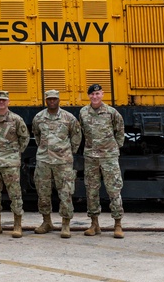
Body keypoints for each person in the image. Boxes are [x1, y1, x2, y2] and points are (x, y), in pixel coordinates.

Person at [31, 89, 82, 238]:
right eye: (49, 99)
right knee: (43, 193)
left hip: (63, 161)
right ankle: (46, 222)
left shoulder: (69, 118)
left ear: (58, 100)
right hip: (44, 161)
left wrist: (66, 152)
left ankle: (65, 224)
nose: (52, 101)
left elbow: (76, 136)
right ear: (46, 100)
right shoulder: (39, 117)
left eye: (54, 99)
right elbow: (37, 135)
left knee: (65, 192)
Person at [79, 83, 126, 238]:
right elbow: (82, 132)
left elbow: (120, 131)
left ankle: (118, 225)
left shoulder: (112, 112)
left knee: (114, 190)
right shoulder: (83, 112)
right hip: (91, 157)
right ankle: (94, 224)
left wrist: (114, 149)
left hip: (109, 157)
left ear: (102, 94)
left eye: (97, 94)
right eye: (92, 94)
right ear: (89, 96)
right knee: (91, 191)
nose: (95, 96)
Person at [0, 90, 29, 238]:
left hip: (10, 163)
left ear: (8, 102)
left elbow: (24, 138)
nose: (1, 102)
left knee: (15, 194)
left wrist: (15, 153)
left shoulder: (16, 119)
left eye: (4, 100)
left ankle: (17, 225)